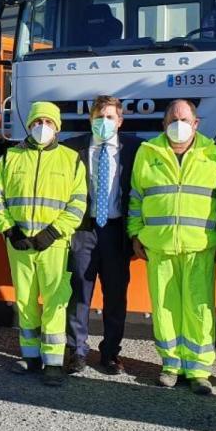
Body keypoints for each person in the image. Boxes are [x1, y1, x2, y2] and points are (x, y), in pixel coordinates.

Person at [127, 99, 216, 395]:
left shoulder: (215, 155)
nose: (178, 124)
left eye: (184, 119)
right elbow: (136, 198)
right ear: (163, 124)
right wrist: (135, 234)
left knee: (200, 308)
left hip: (200, 248)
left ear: (196, 123)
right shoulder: (147, 154)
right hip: (159, 247)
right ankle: (171, 364)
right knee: (164, 307)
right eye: (173, 119)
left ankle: (199, 369)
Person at [0, 101, 88, 387]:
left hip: (53, 245)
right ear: (29, 124)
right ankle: (31, 356)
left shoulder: (71, 159)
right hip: (19, 243)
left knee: (56, 301)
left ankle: (54, 362)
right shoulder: (11, 157)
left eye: (48, 122)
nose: (42, 127)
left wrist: (53, 233)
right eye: (37, 122)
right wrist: (9, 230)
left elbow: (77, 203)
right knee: (25, 299)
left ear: (57, 127)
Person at [62, 95, 141, 375]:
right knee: (79, 292)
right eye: (99, 117)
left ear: (120, 121)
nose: (104, 122)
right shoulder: (72, 149)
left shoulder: (136, 148)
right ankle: (76, 351)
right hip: (84, 229)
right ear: (90, 119)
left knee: (115, 295)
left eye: (109, 117)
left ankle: (110, 354)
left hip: (116, 232)